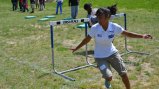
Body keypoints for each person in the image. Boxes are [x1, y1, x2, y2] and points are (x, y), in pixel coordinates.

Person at [70, 8, 152, 89]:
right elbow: (86, 39)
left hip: (113, 53)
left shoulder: (114, 27)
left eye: (100, 17)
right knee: (109, 77)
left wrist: (142, 36)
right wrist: (76, 48)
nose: (98, 19)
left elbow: (127, 34)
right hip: (99, 57)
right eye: (97, 17)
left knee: (124, 74)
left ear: (108, 17)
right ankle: (107, 80)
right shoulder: (95, 28)